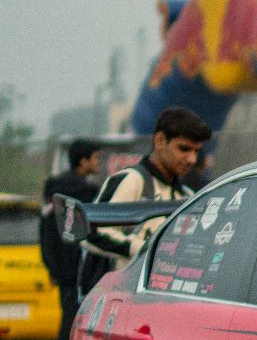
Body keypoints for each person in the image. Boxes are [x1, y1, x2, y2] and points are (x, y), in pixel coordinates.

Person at [78, 106, 211, 293]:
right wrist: (147, 249)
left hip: (163, 299)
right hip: (118, 299)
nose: (191, 159)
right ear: (160, 141)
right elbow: (89, 234)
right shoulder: (131, 180)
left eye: (196, 151)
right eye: (184, 149)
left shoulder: (187, 196)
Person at [39, 138, 101, 340]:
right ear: (84, 161)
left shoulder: (52, 191)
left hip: (61, 267)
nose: (98, 163)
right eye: (95, 158)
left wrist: (51, 264)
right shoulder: (86, 193)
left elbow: (45, 230)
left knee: (68, 321)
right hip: (81, 267)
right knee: (79, 323)